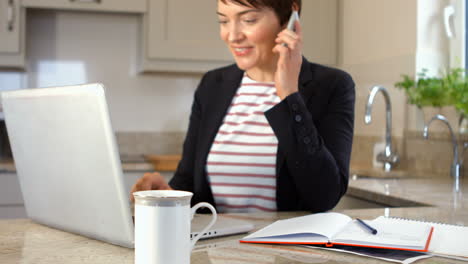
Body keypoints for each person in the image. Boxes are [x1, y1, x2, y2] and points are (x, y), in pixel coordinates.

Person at [130, 0, 355, 212]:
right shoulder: (213, 85)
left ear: (290, 14)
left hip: (287, 250)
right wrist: (167, 194)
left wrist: (289, 95)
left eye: (248, 20)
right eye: (223, 21)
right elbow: (189, 182)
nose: (232, 35)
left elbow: (324, 196)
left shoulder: (331, 85)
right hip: (214, 250)